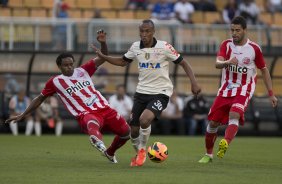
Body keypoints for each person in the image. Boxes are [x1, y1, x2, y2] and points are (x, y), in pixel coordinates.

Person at [5, 30, 130, 164]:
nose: (69, 67)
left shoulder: (83, 70)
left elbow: (103, 57)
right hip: (85, 113)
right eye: (65, 65)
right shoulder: (55, 82)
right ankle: (96, 139)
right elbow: (39, 98)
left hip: (104, 109)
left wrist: (103, 43)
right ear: (59, 66)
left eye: (71, 64)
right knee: (91, 121)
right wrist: (23, 114)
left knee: (126, 133)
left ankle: (110, 152)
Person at [92, 19, 201, 167]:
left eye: (147, 31)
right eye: (141, 31)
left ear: (153, 32)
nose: (144, 34)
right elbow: (122, 61)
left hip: (161, 92)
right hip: (141, 92)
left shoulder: (164, 47)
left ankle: (142, 150)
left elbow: (184, 63)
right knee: (134, 131)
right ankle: (140, 153)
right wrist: (104, 57)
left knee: (145, 120)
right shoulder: (136, 47)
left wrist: (193, 82)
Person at [198, 16, 278, 163]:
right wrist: (228, 62)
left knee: (234, 114)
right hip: (226, 88)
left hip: (244, 88)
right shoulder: (226, 45)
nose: (234, 33)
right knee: (213, 123)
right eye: (232, 30)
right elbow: (217, 64)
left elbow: (264, 70)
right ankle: (208, 154)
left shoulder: (254, 49)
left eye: (237, 30)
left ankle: (225, 143)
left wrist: (271, 94)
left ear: (245, 31)